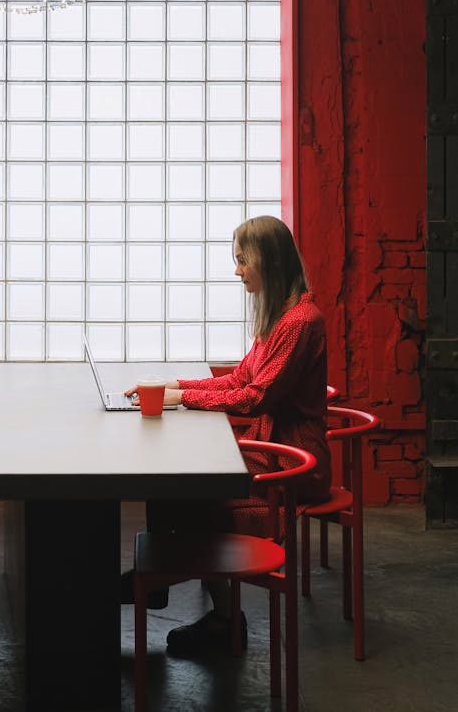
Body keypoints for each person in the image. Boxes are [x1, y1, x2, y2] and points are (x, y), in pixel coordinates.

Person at [122, 214, 332, 656]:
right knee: (169, 482)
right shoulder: (281, 316)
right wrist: (175, 386)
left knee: (191, 494)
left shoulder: (300, 321)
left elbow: (256, 397)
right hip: (268, 447)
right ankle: (161, 583)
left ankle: (213, 615)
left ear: (268, 261)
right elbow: (239, 379)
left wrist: (183, 398)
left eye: (242, 261)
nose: (237, 271)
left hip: (290, 462)